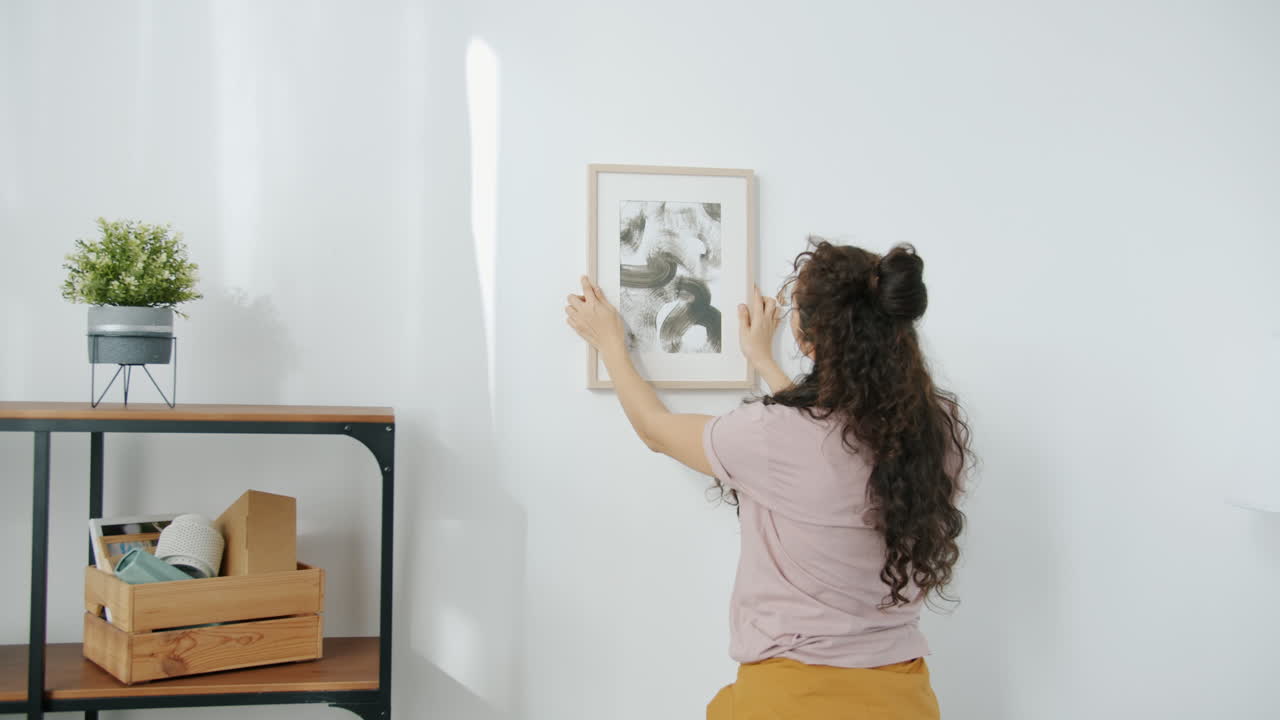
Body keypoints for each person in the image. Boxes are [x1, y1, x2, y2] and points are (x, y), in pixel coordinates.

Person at [565, 239, 971, 719]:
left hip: (793, 701)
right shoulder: (934, 429)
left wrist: (611, 342)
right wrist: (763, 362)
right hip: (903, 700)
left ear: (805, 336)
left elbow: (656, 431)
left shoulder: (775, 435)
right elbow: (831, 444)